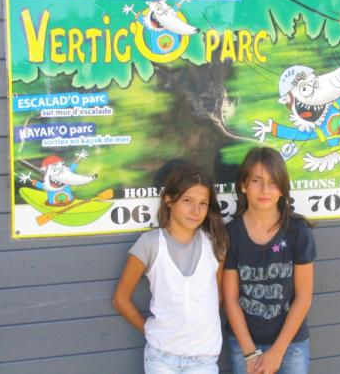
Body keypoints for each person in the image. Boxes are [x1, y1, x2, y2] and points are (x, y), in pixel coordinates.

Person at [112, 163, 228, 373]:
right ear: (168, 200)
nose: (196, 210)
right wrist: (149, 330)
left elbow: (217, 296)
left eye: (203, 203)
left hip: (204, 358)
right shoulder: (150, 244)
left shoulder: (215, 244)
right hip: (162, 358)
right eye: (187, 201)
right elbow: (120, 298)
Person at [223, 147, 317, 374]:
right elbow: (230, 299)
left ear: (283, 188)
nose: (265, 189)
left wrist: (277, 351)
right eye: (257, 180)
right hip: (244, 344)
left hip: (290, 344)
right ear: (244, 185)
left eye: (273, 182)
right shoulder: (231, 234)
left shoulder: (297, 232)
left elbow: (303, 297)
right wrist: (249, 352)